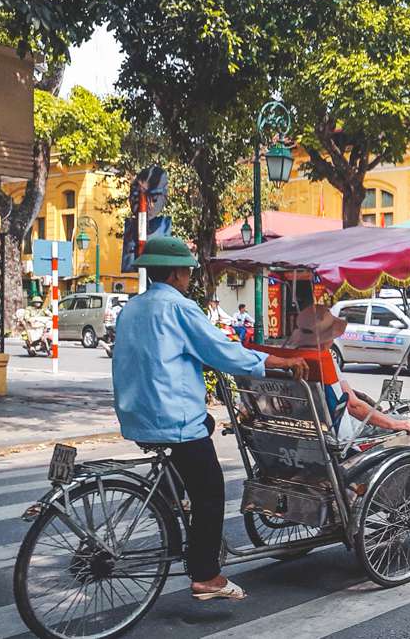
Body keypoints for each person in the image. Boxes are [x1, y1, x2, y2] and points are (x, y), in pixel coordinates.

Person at [112, 236, 308, 602]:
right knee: (211, 490)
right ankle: (206, 574)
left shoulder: (132, 308)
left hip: (136, 412)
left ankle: (174, 504)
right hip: (171, 416)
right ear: (174, 273)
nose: (188, 277)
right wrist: (278, 363)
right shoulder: (179, 308)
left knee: (205, 428)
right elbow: (221, 352)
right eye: (186, 271)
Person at [283, 304, 410, 436]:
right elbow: (353, 405)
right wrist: (395, 424)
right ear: (328, 337)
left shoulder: (287, 359)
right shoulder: (324, 361)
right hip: (338, 431)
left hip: (302, 426)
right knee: (408, 424)